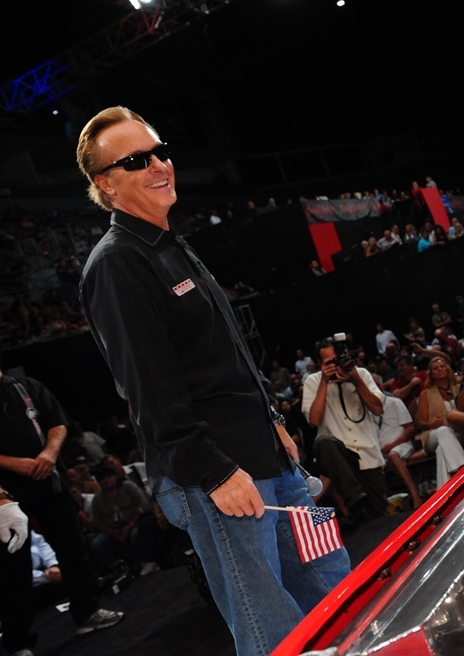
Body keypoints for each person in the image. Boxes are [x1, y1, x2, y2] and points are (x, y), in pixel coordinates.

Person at [77, 107, 348, 656]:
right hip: (221, 477)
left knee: (335, 589)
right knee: (271, 628)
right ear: (105, 182)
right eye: (136, 160)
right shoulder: (116, 265)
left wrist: (273, 421)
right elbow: (149, 389)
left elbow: (224, 352)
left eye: (160, 152)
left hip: (271, 461)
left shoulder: (171, 244)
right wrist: (215, 470)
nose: (158, 165)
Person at [0, 370, 125, 656]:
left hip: (48, 481)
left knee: (74, 550)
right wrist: (15, 464)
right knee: (12, 570)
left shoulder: (26, 386)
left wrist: (49, 454)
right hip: (6, 497)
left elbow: (57, 423)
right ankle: (18, 643)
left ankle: (87, 613)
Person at [302, 338, 389, 521]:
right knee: (323, 443)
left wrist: (356, 381)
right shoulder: (313, 381)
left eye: (337, 359)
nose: (335, 365)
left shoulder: (361, 374)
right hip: (339, 457)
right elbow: (314, 420)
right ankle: (355, 500)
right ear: (320, 364)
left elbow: (378, 409)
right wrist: (325, 382)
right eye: (328, 362)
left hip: (368, 456)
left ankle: (361, 507)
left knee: (379, 517)